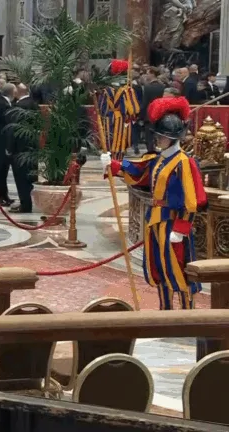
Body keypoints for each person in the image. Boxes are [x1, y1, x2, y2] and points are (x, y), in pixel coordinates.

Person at [101, 96, 207, 310]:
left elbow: (193, 199)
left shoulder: (184, 163)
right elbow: (139, 172)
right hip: (155, 223)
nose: (158, 140)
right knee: (160, 269)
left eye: (162, 137)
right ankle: (165, 311)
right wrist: (113, 165)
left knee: (179, 270)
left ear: (173, 138)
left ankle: (188, 313)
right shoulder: (158, 159)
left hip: (173, 223)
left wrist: (182, 227)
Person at [98, 59, 140, 160]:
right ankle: (118, 163)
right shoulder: (127, 89)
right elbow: (133, 109)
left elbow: (101, 107)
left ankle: (110, 165)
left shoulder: (106, 89)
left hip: (108, 119)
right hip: (122, 119)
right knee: (120, 142)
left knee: (109, 142)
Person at [6, 84, 38, 213]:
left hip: (20, 148)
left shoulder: (19, 107)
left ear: (18, 92)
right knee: (29, 177)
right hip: (32, 146)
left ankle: (25, 205)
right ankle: (28, 202)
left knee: (21, 178)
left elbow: (13, 129)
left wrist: (9, 147)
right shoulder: (33, 104)